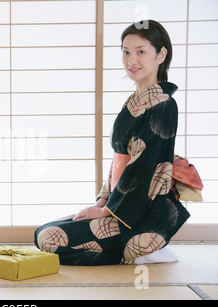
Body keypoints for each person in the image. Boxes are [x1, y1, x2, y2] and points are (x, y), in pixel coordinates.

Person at [34, 20, 190, 265]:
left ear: (161, 55)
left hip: (140, 216)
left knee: (48, 239)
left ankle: (142, 248)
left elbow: (142, 169)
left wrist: (106, 212)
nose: (131, 60)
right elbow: (119, 160)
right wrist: (101, 202)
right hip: (118, 206)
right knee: (44, 231)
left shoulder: (163, 105)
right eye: (126, 52)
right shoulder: (134, 101)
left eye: (141, 51)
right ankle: (128, 249)